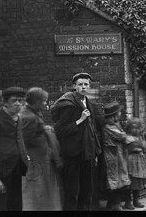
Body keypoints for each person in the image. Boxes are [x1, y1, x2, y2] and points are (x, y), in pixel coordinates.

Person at [51, 72, 102, 211]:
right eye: (80, 84)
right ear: (74, 86)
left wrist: (95, 152)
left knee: (86, 191)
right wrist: (80, 120)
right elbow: (60, 130)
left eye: (86, 84)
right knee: (72, 192)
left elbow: (92, 129)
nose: (83, 87)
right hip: (73, 155)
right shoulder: (69, 104)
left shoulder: (87, 102)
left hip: (87, 154)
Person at [0, 86, 30, 211]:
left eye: (21, 101)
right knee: (0, 206)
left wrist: (25, 158)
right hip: (1, 171)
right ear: (5, 102)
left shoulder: (18, 118)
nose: (18, 104)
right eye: (14, 101)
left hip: (16, 168)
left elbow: (19, 139)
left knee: (16, 205)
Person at [19, 87, 63, 210]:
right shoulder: (29, 117)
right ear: (36, 101)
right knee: (37, 193)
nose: (45, 103)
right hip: (36, 161)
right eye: (44, 100)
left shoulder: (32, 113)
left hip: (41, 159)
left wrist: (44, 130)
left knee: (42, 192)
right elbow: (23, 140)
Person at [102, 102, 131, 210]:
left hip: (118, 154)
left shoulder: (115, 124)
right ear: (113, 115)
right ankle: (115, 204)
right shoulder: (109, 126)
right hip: (112, 156)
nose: (120, 113)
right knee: (113, 179)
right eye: (118, 112)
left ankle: (113, 203)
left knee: (119, 178)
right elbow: (122, 136)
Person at [124, 118, 146, 209]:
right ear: (129, 128)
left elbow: (144, 147)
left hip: (139, 160)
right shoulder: (127, 138)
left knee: (137, 181)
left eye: (138, 128)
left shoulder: (139, 137)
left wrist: (141, 140)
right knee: (129, 182)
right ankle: (128, 201)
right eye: (133, 128)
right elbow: (128, 149)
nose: (136, 130)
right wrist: (137, 147)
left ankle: (136, 200)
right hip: (130, 160)